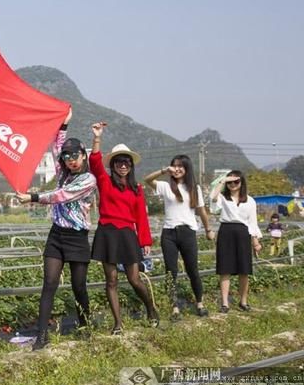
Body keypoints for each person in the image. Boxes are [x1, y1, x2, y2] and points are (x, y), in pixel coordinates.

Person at [15, 109, 97, 350]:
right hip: (57, 236)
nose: (71, 159)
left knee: (78, 286)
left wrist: (31, 196)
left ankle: (85, 326)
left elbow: (60, 196)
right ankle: (42, 335)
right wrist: (63, 124)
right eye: (67, 156)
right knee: (49, 282)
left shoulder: (87, 180)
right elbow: (56, 147)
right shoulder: (63, 173)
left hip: (77, 238)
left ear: (84, 156)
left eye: (76, 155)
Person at [89, 122, 159, 335]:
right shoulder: (105, 181)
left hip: (128, 234)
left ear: (131, 165)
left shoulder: (136, 189)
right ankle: (118, 324)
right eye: (119, 162)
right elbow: (94, 162)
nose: (122, 165)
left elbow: (141, 217)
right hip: (107, 232)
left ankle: (151, 309)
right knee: (111, 280)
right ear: (113, 165)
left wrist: (145, 242)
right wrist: (97, 138)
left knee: (134, 279)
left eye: (126, 162)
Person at [144, 155, 214, 320]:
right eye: (174, 166)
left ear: (187, 168)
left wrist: (208, 229)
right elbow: (147, 179)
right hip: (169, 233)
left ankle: (199, 303)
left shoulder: (194, 189)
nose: (176, 169)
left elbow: (202, 211)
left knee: (192, 270)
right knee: (171, 272)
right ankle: (174, 308)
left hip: (188, 232)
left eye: (180, 166)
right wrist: (163, 170)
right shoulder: (166, 187)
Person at [209, 170, 262, 313]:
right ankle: (225, 303)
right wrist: (222, 180)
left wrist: (255, 242)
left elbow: (252, 223)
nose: (233, 184)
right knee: (225, 269)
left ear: (241, 182)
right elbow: (212, 198)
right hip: (226, 232)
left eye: (236, 181)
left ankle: (243, 301)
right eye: (230, 182)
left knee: (244, 270)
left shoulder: (250, 200)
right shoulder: (222, 197)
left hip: (243, 233)